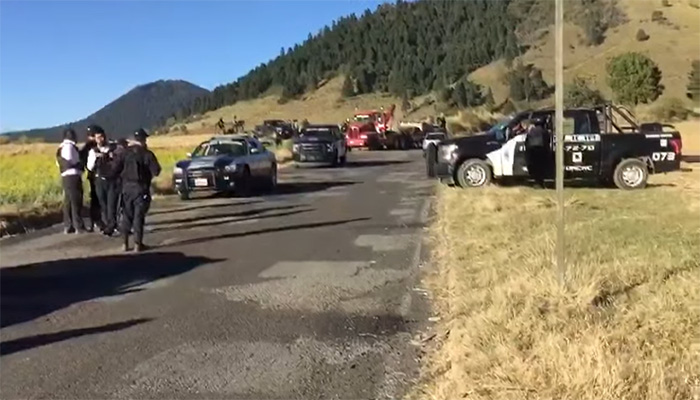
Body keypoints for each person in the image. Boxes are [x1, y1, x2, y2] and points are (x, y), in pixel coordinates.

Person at [113, 128, 161, 252]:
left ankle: (124, 243)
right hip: (141, 188)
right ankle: (137, 244)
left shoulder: (125, 153)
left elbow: (115, 169)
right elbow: (156, 171)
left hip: (126, 188)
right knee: (138, 216)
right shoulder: (147, 154)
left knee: (126, 215)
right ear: (144, 140)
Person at [87, 129, 118, 236]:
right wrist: (96, 159)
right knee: (103, 204)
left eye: (102, 136)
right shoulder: (93, 152)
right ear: (95, 139)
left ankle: (112, 225)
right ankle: (108, 225)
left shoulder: (113, 149)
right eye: (98, 137)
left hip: (111, 180)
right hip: (100, 180)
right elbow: (90, 167)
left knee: (111, 204)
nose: (101, 139)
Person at [56, 128, 86, 234]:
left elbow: (59, 163)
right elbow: (71, 161)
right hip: (73, 175)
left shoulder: (60, 148)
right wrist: (79, 164)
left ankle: (68, 225)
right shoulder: (69, 147)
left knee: (68, 201)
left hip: (65, 176)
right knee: (76, 200)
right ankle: (78, 226)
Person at [80, 125, 102, 231]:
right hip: (98, 174)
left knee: (94, 197)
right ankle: (99, 220)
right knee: (99, 198)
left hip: (91, 175)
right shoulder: (95, 146)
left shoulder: (85, 147)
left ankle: (94, 221)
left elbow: (82, 160)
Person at [522, 119, 550, 189]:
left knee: (535, 168)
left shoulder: (531, 131)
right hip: (542, 151)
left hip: (532, 152)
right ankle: (541, 183)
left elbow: (526, 142)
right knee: (541, 168)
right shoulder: (544, 131)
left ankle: (538, 183)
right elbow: (547, 141)